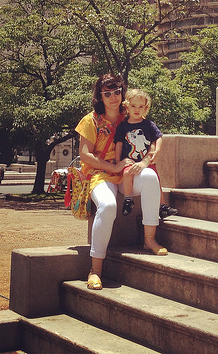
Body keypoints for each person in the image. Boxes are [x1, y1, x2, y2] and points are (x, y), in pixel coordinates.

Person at [76, 74, 168, 291]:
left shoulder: (130, 115)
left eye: (117, 92)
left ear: (122, 94)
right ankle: (95, 270)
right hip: (101, 174)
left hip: (127, 173)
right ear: (100, 96)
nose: (113, 97)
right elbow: (85, 155)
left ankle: (149, 239)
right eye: (107, 93)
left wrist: (145, 161)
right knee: (108, 206)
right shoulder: (91, 120)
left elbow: (152, 136)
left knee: (150, 177)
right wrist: (114, 167)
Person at [115, 88, 177, 219]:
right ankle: (128, 200)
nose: (137, 109)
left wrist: (157, 150)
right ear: (127, 107)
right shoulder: (123, 126)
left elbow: (159, 137)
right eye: (133, 106)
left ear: (145, 108)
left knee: (155, 179)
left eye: (141, 106)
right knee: (127, 174)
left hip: (145, 161)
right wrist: (118, 161)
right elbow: (119, 144)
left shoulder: (148, 124)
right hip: (129, 160)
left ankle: (162, 206)